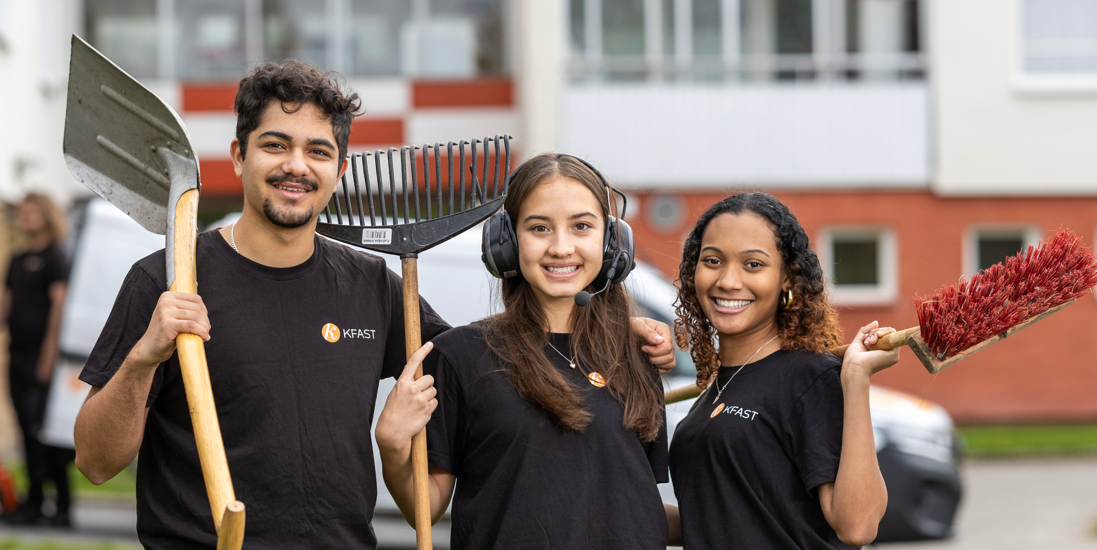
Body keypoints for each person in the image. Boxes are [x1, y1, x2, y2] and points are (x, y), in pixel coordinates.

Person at [73, 62, 674, 550]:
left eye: (318, 151)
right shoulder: (170, 279)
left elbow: (491, 360)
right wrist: (144, 358)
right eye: (275, 145)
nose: (296, 166)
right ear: (238, 155)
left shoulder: (372, 285)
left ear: (337, 169)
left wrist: (620, 330)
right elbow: (96, 462)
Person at [375, 154, 671, 549]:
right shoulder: (460, 356)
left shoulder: (638, 355)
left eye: (581, 226)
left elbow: (634, 502)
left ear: (612, 241)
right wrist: (392, 447)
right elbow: (423, 511)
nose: (561, 247)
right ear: (507, 242)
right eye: (539, 228)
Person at [666, 192, 897, 549]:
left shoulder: (810, 377)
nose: (728, 280)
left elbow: (858, 526)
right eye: (712, 260)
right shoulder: (720, 387)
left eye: (753, 264)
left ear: (787, 279)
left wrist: (854, 381)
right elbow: (721, 518)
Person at [2, 193, 75, 526]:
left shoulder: (55, 258)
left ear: (46, 216)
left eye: (32, 213)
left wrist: (49, 357)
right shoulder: (17, 259)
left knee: (45, 434)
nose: (26, 218)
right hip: (17, 357)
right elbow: (7, 305)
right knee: (26, 433)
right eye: (23, 213)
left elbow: (59, 309)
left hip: (42, 360)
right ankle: (33, 504)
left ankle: (61, 506)